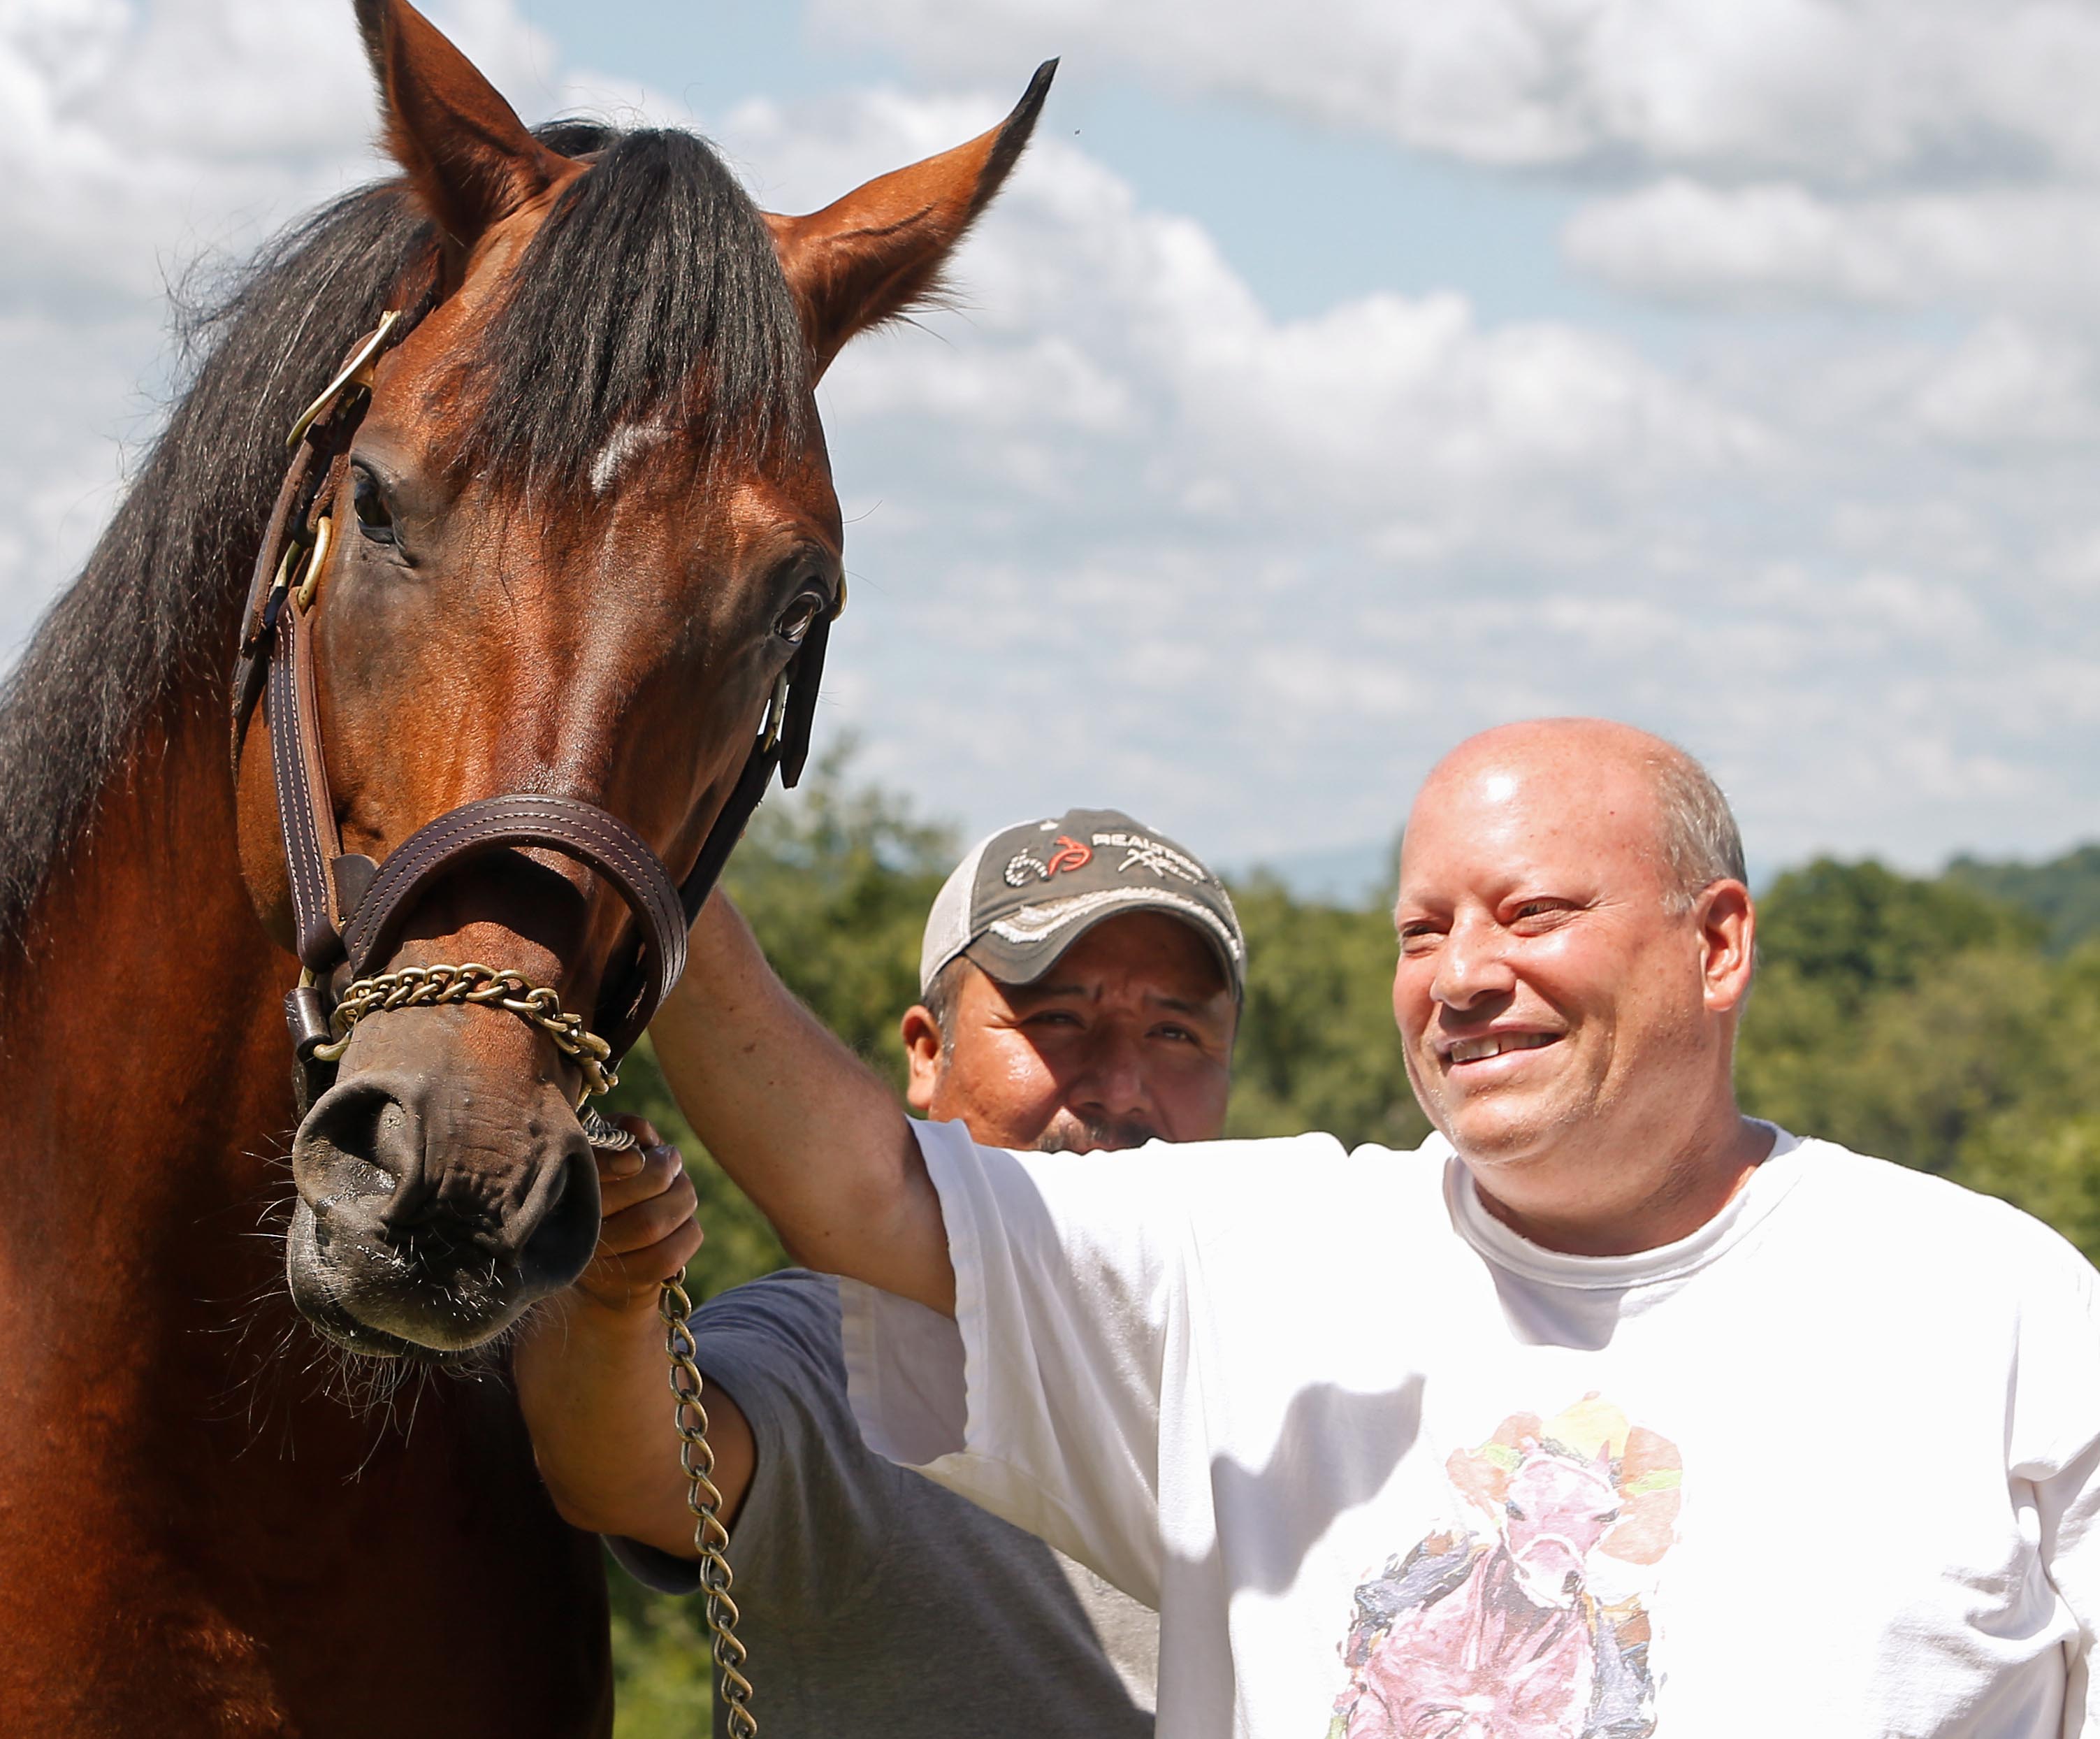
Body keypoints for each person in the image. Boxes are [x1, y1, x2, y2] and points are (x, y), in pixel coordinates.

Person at [643, 719, 2100, 1738]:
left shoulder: (2003, 1318)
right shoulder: (1262, 1257)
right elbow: (861, 1188)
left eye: (1530, 911)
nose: (1464, 975)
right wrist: (632, 809)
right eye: (1420, 930)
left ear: (1716, 943)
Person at [513, 809, 1247, 1735]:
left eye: (1176, 1033)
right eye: (1056, 1017)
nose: (1118, 1085)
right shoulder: (835, 1343)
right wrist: (615, 1294)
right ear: (925, 1052)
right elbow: (627, 1476)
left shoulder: (1292, 1341)